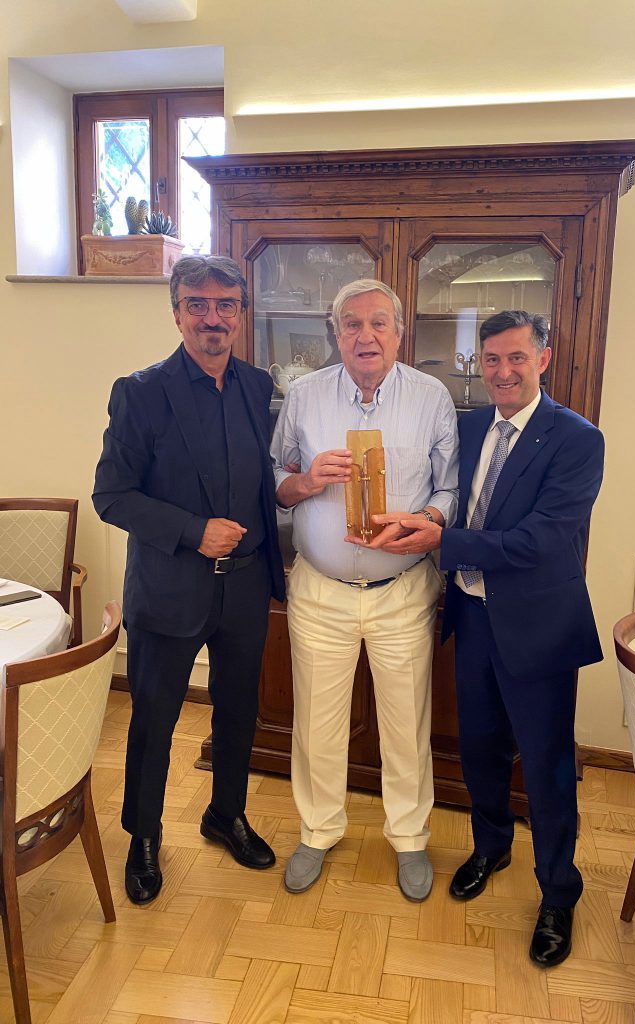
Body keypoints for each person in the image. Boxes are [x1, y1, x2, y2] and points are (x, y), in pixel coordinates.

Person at [373, 310, 604, 964]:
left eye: (516, 358)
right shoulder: (470, 426)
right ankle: (492, 846)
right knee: (479, 749)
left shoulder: (577, 439)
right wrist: (412, 521)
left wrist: (443, 541)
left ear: (543, 359)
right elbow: (446, 497)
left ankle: (558, 893)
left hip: (539, 627)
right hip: (472, 620)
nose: (502, 372)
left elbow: (540, 541)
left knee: (548, 767)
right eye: (492, 360)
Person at [93, 255, 285, 904]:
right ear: (176, 313)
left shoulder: (257, 387)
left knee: (238, 712)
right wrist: (192, 530)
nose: (212, 318)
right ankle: (144, 837)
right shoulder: (141, 392)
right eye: (197, 304)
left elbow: (264, 479)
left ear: (241, 314)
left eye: (225, 305)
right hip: (170, 588)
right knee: (154, 721)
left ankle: (226, 814)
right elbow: (111, 495)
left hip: (246, 587)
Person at [271, 279, 458, 901]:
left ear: (400, 332)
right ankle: (318, 830)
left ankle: (409, 838)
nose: (365, 335)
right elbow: (274, 476)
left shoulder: (432, 396)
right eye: (351, 323)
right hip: (320, 590)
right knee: (317, 723)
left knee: (406, 724)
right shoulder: (304, 395)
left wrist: (426, 521)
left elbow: (450, 488)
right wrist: (304, 481)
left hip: (401, 589)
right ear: (335, 333)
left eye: (379, 322)